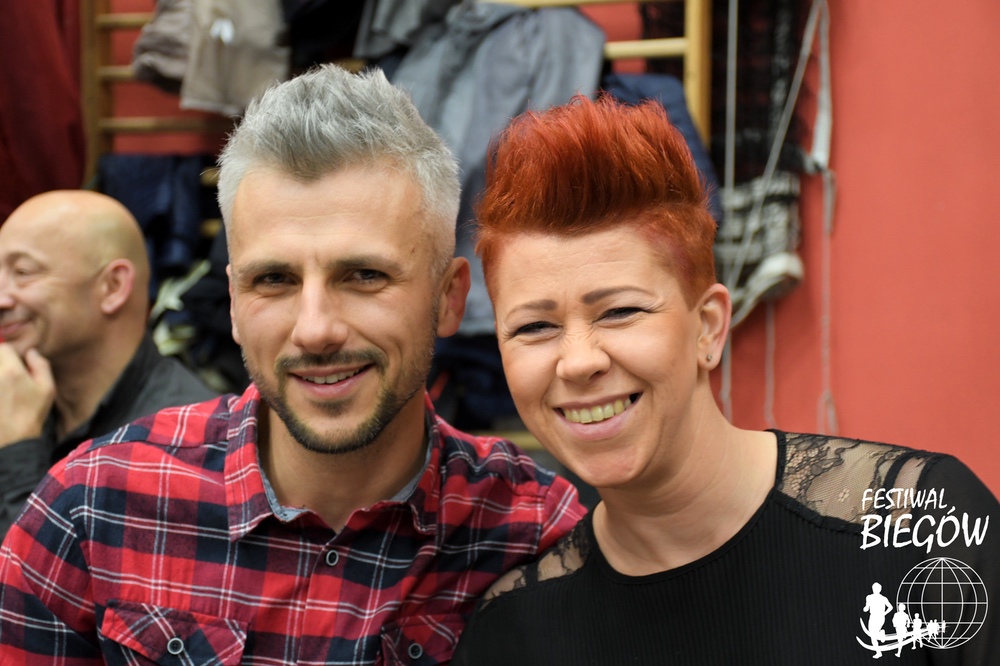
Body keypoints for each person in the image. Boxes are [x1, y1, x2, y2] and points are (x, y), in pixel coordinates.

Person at [0, 65, 585, 665]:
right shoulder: (91, 508)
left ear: (448, 298)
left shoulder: (536, 532)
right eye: (274, 280)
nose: (315, 330)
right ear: (233, 303)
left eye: (364, 275)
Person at [452, 95, 999, 664]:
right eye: (535, 327)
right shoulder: (511, 635)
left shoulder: (922, 526)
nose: (577, 362)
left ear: (708, 327)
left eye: (619, 312)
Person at [0, 190, 217, 538]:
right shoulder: (18, 398)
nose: (2, 297)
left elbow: (56, 573)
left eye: (23, 272)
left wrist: (19, 454)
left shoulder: (187, 441)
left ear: (112, 287)